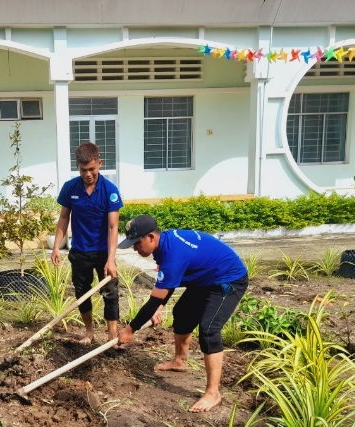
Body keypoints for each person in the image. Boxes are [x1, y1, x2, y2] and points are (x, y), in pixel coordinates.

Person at [116, 214, 248, 412]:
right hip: (205, 278)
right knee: (183, 313)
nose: (135, 248)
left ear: (151, 237)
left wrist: (130, 329)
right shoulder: (165, 244)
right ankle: (179, 361)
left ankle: (213, 393)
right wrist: (159, 305)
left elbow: (156, 297)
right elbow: (166, 287)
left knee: (209, 329)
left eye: (137, 243)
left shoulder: (173, 255)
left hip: (228, 280)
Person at [51, 142, 122, 343]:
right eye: (83, 170)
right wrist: (56, 246)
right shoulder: (70, 188)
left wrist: (111, 260)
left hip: (103, 252)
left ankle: (111, 336)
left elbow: (113, 227)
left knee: (111, 293)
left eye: (92, 169)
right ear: (77, 167)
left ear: (99, 164)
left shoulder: (110, 190)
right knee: (82, 293)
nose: (88, 174)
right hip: (80, 251)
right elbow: (64, 218)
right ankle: (89, 333)